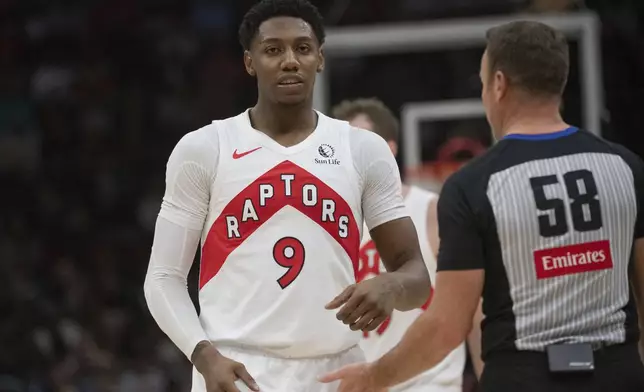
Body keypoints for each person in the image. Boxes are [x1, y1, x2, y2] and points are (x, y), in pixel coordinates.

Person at [320, 20, 644, 392]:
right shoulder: (626, 168)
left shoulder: (474, 185)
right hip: (618, 373)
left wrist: (373, 377)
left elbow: (447, 324)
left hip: (524, 375)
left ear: (499, 85)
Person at [142, 1, 432, 392]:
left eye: (302, 48)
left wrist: (389, 286)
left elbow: (416, 274)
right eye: (273, 49)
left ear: (320, 59)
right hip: (237, 370)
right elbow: (162, 278)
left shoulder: (363, 150)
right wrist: (204, 355)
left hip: (338, 370)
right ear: (249, 62)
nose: (290, 60)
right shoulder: (205, 149)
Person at [332, 98, 484, 391]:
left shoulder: (433, 212)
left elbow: (475, 314)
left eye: (359, 144)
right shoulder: (326, 222)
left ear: (389, 149)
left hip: (428, 384)